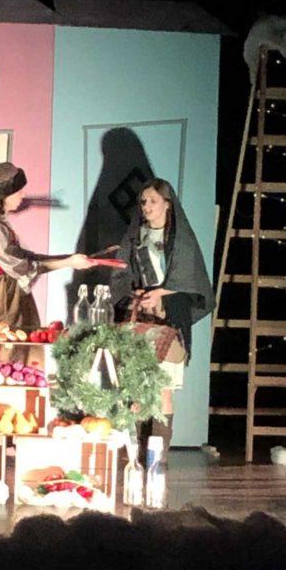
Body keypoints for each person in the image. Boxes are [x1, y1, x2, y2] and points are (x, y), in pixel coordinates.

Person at [110, 178, 213, 456]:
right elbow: (123, 272)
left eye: (153, 201)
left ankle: (158, 455)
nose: (146, 206)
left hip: (169, 318)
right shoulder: (137, 236)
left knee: (162, 387)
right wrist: (135, 293)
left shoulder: (180, 238)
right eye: (143, 201)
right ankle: (136, 452)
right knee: (136, 385)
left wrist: (161, 294)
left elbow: (189, 279)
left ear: (168, 204)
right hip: (142, 317)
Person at [0, 162, 95, 374]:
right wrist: (69, 262)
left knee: (16, 349)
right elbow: (23, 266)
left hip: (9, 293)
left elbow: (27, 258)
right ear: (5, 197)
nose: (22, 195)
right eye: (18, 191)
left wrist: (70, 259)